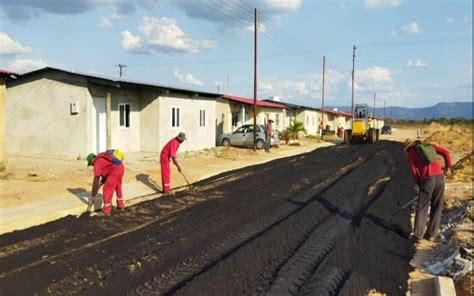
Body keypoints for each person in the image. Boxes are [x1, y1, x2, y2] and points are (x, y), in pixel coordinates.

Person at [403, 139, 452, 242]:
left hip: (427, 180)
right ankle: (431, 234)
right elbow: (446, 152)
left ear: (409, 148)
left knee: (422, 207)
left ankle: (418, 236)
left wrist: (420, 184)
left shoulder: (412, 154)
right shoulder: (430, 147)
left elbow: (414, 172)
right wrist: (448, 167)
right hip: (440, 178)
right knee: (437, 205)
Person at [87, 150, 125, 216]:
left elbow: (96, 180)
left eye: (91, 163)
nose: (92, 165)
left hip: (114, 172)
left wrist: (93, 194)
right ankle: (120, 206)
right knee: (118, 187)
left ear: (92, 160)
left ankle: (106, 211)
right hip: (121, 168)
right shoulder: (103, 158)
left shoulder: (97, 163)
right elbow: (107, 171)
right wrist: (101, 183)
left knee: (107, 189)